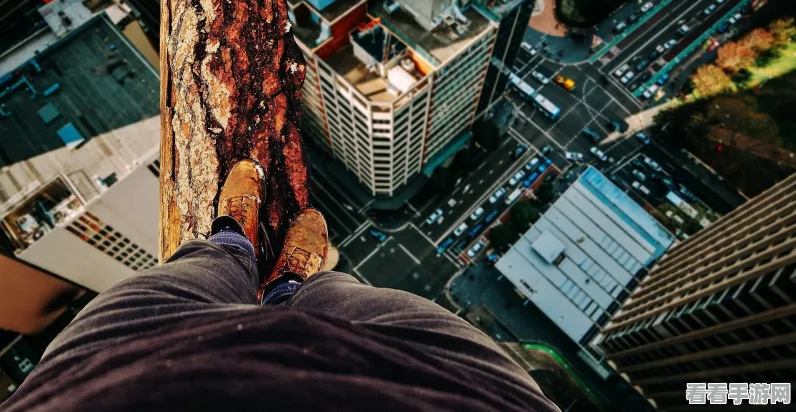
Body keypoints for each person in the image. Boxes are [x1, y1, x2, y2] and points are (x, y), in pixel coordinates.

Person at [3, 160, 560, 412]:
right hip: (460, 395)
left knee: (160, 292)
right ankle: (291, 288)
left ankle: (232, 245)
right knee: (358, 303)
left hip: (99, 389)